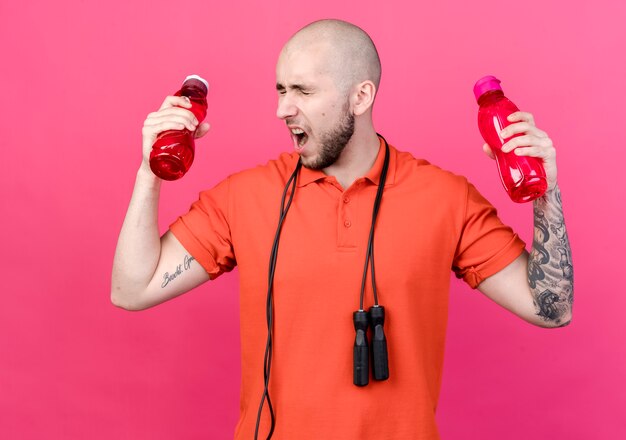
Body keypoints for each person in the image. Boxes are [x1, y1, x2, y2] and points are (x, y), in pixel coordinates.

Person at [111, 19, 573, 440]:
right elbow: (133, 290)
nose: (282, 109)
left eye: (302, 91)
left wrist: (546, 192)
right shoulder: (242, 197)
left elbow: (550, 309)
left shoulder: (445, 197)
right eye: (279, 90)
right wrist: (149, 172)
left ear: (361, 96)